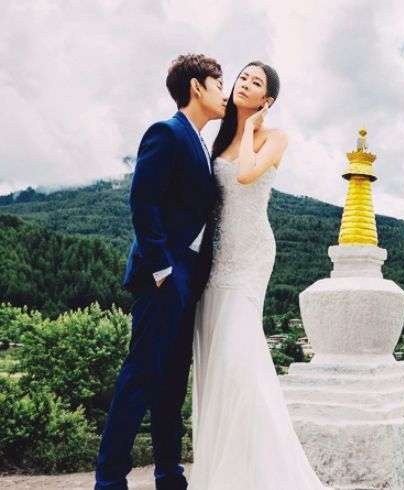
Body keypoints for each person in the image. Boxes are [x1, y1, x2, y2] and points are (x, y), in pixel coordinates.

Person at [190, 61, 323, 489]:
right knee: (215, 360)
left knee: (238, 356)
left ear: (267, 100)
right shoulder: (217, 138)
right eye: (242, 78)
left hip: (250, 257)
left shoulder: (274, 137)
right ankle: (221, 471)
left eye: (255, 83)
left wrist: (249, 130)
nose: (244, 84)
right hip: (216, 255)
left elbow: (246, 174)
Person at [96, 53, 225, 490]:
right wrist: (161, 269)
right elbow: (142, 201)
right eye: (219, 82)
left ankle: (170, 475)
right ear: (196, 86)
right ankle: (109, 480)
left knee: (172, 381)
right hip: (165, 275)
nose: (223, 92)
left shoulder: (202, 144)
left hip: (189, 276)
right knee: (141, 376)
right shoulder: (166, 133)